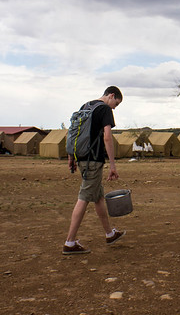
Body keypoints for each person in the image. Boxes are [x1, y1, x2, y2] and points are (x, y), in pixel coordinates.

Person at [63, 86, 124, 255]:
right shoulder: (104, 109)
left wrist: (71, 157)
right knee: (84, 197)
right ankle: (70, 242)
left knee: (97, 196)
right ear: (111, 95)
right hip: (93, 160)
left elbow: (73, 134)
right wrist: (112, 165)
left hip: (82, 158)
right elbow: (107, 137)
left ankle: (109, 234)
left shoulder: (86, 106)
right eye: (116, 104)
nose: (114, 108)